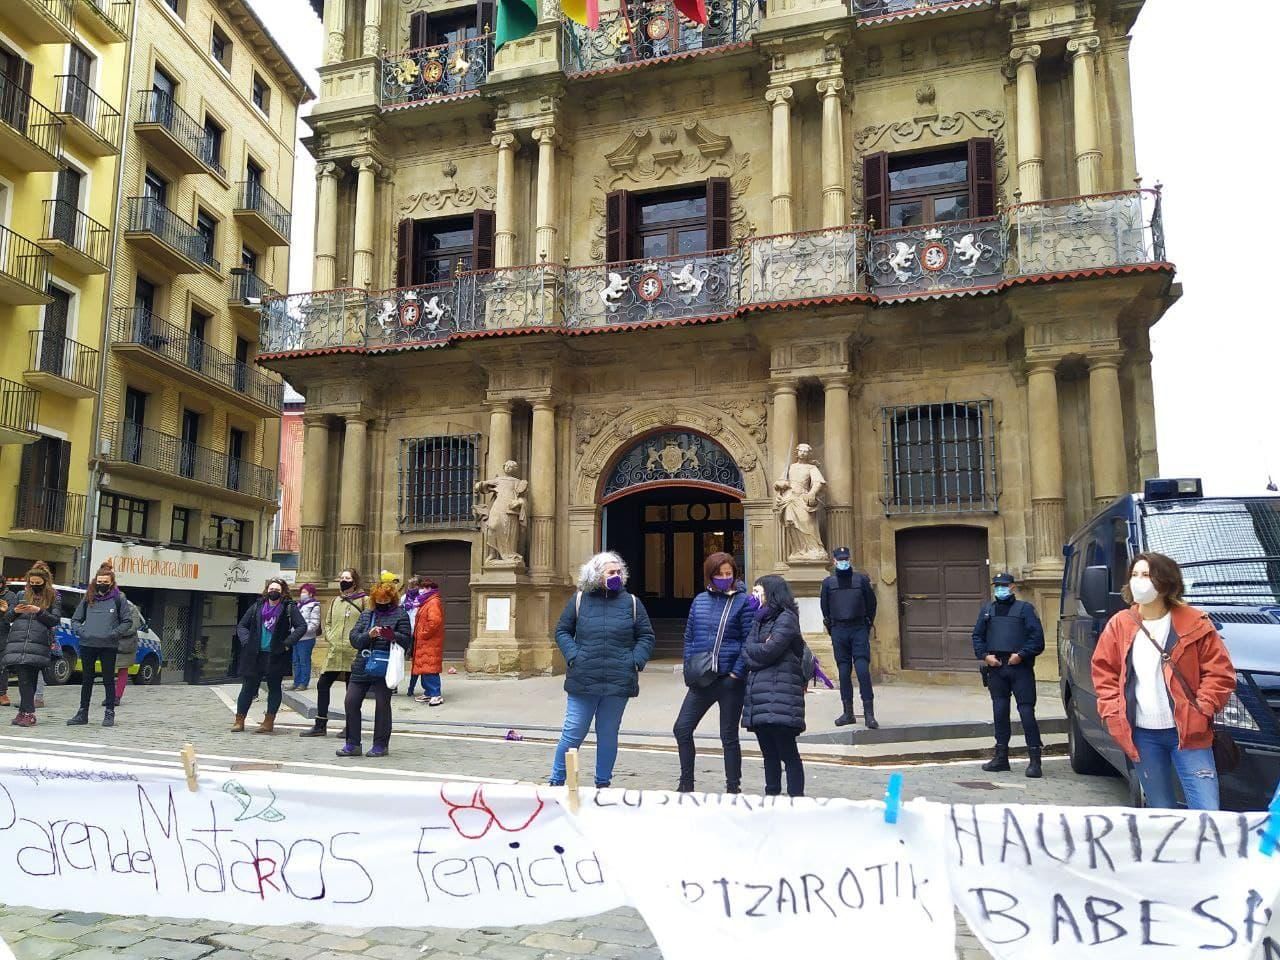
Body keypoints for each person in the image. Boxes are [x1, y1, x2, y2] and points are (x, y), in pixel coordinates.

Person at [1091, 552, 1236, 810]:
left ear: (1165, 581)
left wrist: (1202, 709)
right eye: (1134, 575)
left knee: (1208, 811)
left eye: (1146, 575)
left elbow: (1219, 672)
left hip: (1189, 733)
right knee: (1160, 812)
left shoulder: (1195, 622)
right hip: (1142, 735)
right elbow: (1104, 673)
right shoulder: (1120, 625)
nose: (1138, 581)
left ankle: (1202, 851)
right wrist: (1113, 713)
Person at [549, 552, 655, 788]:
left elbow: (646, 636)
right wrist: (575, 656)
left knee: (608, 735)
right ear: (597, 575)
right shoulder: (579, 600)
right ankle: (557, 780)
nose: (616, 576)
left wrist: (635, 660)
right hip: (584, 678)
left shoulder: (632, 603)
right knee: (573, 733)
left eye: (619, 572)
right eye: (611, 572)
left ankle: (603, 783)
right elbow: (562, 631)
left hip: (618, 680)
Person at [673, 551, 752, 793]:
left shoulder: (743, 601)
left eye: (729, 573)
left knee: (728, 735)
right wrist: (690, 666)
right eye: (719, 574)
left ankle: (733, 787)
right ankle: (686, 783)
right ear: (710, 574)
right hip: (702, 679)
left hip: (730, 680)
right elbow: (689, 635)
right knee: (682, 729)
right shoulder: (699, 600)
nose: (724, 577)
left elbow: (749, 640)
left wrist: (737, 674)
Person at [972, 572, 1046, 778]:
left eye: (1003, 586)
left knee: (1026, 712)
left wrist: (1021, 655)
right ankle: (1001, 757)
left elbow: (1037, 639)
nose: (1000, 589)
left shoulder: (1025, 610)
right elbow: (977, 636)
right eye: (996, 586)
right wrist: (985, 656)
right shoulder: (987, 610)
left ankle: (1034, 759)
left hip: (1019, 667)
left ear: (1012, 587)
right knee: (1000, 711)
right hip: (996, 667)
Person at [741, 575, 807, 797]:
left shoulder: (787, 618)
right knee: (768, 753)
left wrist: (756, 650)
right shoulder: (759, 619)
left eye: (758, 590)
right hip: (759, 695)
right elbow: (747, 649)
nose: (755, 595)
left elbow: (771, 650)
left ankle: (796, 799)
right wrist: (759, 648)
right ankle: (772, 796)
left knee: (788, 753)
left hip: (781, 695)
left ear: (771, 593)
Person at [339, 575, 411, 758]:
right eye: (378, 599)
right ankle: (352, 744)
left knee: (382, 705)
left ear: (391, 599)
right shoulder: (367, 614)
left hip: (385, 666)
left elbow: (407, 640)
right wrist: (368, 636)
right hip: (362, 664)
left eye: (385, 599)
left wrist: (391, 635)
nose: (381, 602)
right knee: (351, 702)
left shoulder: (400, 614)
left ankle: (380, 744)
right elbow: (354, 639)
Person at [231, 578, 306, 734]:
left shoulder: (288, 608)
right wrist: (247, 641)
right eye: (271, 589)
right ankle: (239, 720)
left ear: (282, 592)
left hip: (276, 654)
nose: (273, 592)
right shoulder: (258, 606)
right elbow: (242, 625)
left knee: (274, 687)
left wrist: (287, 643)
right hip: (255, 654)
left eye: (277, 590)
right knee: (247, 687)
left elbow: (301, 626)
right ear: (266, 590)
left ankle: (268, 722)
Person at [301, 569, 366, 738]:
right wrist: (331, 638)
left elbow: (367, 623)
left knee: (351, 691)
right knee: (322, 685)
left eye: (348, 578)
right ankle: (320, 724)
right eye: (342, 578)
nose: (344, 581)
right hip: (335, 651)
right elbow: (327, 622)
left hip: (354, 652)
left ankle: (350, 727)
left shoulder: (364, 601)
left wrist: (358, 640)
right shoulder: (336, 600)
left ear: (355, 581)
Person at [67, 563, 134, 727]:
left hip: (108, 645)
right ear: (95, 581)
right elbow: (75, 620)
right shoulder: (88, 597)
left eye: (105, 581)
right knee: (87, 680)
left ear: (111, 583)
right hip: (88, 643)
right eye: (99, 581)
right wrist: (82, 632)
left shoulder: (119, 598)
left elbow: (127, 621)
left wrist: (114, 633)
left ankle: (109, 713)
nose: (102, 584)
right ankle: (82, 713)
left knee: (108, 680)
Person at [820, 546, 879, 729]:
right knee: (844, 672)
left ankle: (869, 714)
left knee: (862, 670)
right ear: (834, 561)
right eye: (840, 559)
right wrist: (832, 628)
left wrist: (867, 623)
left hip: (858, 628)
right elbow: (825, 608)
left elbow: (871, 603)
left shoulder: (860, 580)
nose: (843, 562)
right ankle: (848, 712)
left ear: (850, 559)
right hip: (839, 629)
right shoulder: (829, 583)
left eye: (846, 558)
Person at [2, 565, 59, 727]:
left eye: (37, 582)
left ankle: (28, 713)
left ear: (45, 582)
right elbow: (8, 617)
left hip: (38, 642)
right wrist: (16, 611)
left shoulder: (53, 597)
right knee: (24, 678)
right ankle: (25, 712)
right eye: (31, 582)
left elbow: (54, 620)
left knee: (29, 679)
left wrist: (38, 611)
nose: (34, 585)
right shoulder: (22, 594)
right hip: (19, 641)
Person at [410, 577, 446, 706]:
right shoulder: (427, 601)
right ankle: (429, 692)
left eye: (424, 588)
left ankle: (436, 694)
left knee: (430, 669)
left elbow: (435, 621)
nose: (421, 590)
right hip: (425, 642)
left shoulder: (433, 602)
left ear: (430, 589)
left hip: (429, 641)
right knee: (425, 668)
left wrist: (423, 634)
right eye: (421, 587)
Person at [291, 584, 321, 691]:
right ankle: (296, 682)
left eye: (305, 592)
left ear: (311, 594)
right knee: (295, 661)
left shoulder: (314, 606)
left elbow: (314, 624)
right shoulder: (298, 605)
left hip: (306, 638)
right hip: (295, 637)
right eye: (301, 592)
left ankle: (304, 683)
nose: (302, 594)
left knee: (304, 661)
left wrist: (301, 630)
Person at [0, 580, 19, 707]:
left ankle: (2, 694)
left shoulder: (10, 596)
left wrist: (5, 610)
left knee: (2, 666)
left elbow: (12, 616)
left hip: (2, 635)